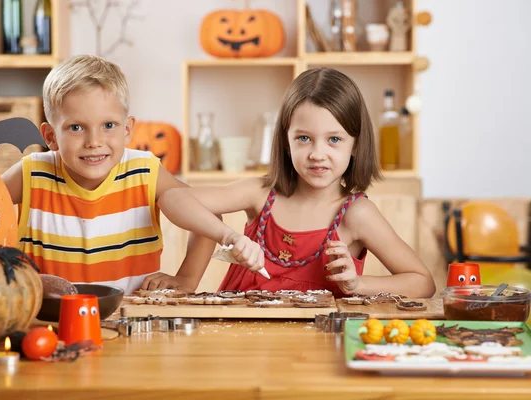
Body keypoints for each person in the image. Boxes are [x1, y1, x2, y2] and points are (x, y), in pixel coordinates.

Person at [159, 67, 436, 298]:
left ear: (355, 145)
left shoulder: (356, 214)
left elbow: (422, 283)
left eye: (334, 139)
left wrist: (358, 284)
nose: (317, 154)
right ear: (286, 142)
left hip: (316, 352)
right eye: (304, 138)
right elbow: (172, 198)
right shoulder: (260, 193)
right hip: (241, 347)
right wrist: (223, 242)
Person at [1, 54, 264, 295]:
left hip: (133, 324)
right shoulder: (31, 173)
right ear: (50, 136)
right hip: (47, 325)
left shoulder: (145, 172)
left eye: (108, 125)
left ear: (127, 131)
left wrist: (187, 279)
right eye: (76, 127)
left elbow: (205, 215)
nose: (94, 141)